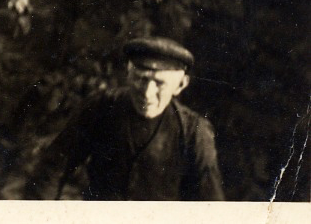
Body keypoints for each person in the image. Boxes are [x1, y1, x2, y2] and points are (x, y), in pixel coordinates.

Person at [24, 36, 224, 200]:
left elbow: (210, 204)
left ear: (180, 85)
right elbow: (52, 170)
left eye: (159, 83)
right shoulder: (100, 108)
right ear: (128, 74)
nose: (147, 93)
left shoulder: (194, 131)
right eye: (140, 79)